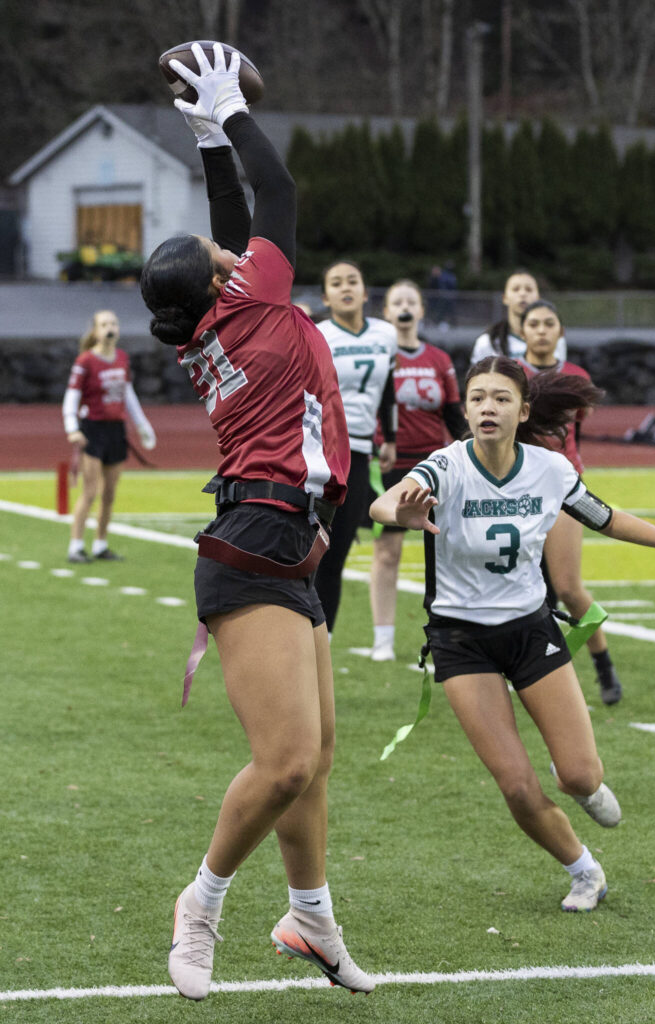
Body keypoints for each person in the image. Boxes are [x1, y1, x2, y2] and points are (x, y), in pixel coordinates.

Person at [139, 43, 373, 1000]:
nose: (234, 249)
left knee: (316, 755)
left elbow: (229, 223)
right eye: (222, 258)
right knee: (284, 763)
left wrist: (201, 142)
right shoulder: (254, 298)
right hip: (258, 542)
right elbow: (273, 196)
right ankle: (202, 901)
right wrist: (229, 111)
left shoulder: (210, 317)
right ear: (222, 280)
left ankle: (310, 918)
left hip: (286, 534)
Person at [370, 355, 655, 912]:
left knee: (583, 777)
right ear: (465, 408)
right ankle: (584, 871)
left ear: (523, 410)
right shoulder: (445, 465)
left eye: (502, 398)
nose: (489, 406)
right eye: (479, 397)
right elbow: (384, 501)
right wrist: (401, 511)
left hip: (532, 630)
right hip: (461, 641)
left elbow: (603, 516)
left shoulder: (551, 469)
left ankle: (575, 777)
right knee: (515, 784)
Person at [517, 300, 623, 705]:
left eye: (549, 324)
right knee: (527, 591)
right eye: (534, 324)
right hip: (517, 491)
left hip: (563, 489)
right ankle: (532, 673)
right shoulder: (511, 373)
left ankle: (604, 665)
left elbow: (579, 424)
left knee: (568, 587)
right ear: (521, 332)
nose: (541, 330)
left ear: (560, 332)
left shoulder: (576, 375)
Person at [369, 279, 466, 661]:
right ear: (387, 312)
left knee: (445, 551)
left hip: (435, 465)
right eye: (397, 301)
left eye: (412, 301)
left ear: (421, 310)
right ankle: (382, 639)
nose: (405, 307)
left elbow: (454, 414)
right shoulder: (379, 356)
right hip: (391, 464)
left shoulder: (440, 360)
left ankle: (449, 634)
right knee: (387, 552)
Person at [313, 259, 397, 637]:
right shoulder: (317, 334)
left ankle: (322, 646)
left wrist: (390, 437)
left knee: (337, 558)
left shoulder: (385, 334)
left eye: (352, 281)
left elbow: (389, 389)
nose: (345, 287)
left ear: (365, 292)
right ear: (325, 296)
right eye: (336, 282)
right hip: (320, 456)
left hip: (360, 455)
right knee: (313, 556)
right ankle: (302, 643)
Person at [61, 309, 156, 563]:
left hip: (116, 429)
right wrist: (72, 428)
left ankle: (101, 544)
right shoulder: (85, 361)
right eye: (104, 324)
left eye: (113, 322)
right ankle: (76, 545)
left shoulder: (122, 358)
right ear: (95, 330)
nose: (109, 327)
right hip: (93, 429)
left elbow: (128, 395)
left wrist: (143, 425)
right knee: (89, 491)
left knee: (110, 494)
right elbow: (71, 396)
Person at [470, 269, 567, 364]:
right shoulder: (488, 341)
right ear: (504, 298)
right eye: (516, 289)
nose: (522, 294)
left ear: (538, 297)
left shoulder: (553, 338)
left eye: (529, 289)